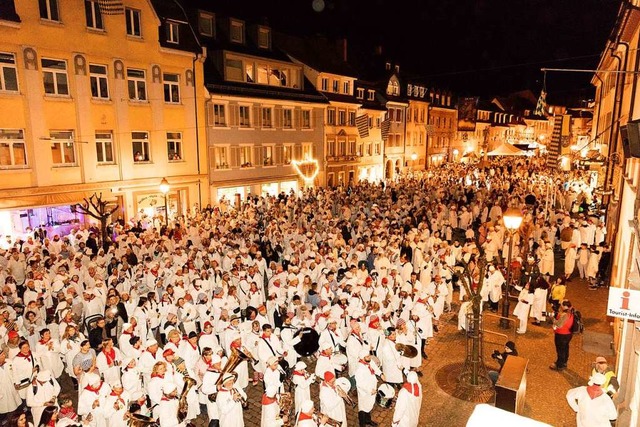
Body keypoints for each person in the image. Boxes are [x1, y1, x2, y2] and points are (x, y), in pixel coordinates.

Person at [550, 299, 574, 371]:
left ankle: (560, 364)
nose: (561, 307)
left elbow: (559, 324)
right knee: (565, 348)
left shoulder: (565, 315)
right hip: (568, 334)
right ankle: (564, 362)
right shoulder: (571, 311)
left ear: (565, 306)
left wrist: (552, 318)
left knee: (560, 350)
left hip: (561, 335)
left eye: (562, 305)